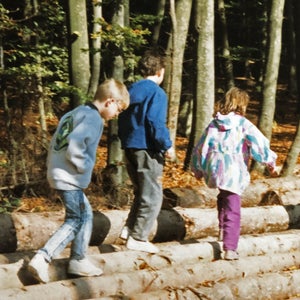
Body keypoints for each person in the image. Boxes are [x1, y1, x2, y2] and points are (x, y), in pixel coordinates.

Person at [28, 78, 129, 283]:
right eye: (118, 110)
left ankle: (78, 260)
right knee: (75, 220)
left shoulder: (75, 112)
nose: (116, 115)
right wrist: (85, 168)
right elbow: (75, 147)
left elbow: (57, 141)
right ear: (110, 101)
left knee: (86, 214)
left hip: (59, 172)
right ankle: (43, 257)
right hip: (69, 176)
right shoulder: (93, 118)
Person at [191, 87, 277, 260]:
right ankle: (230, 248)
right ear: (242, 105)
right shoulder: (243, 124)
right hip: (233, 171)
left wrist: (198, 168)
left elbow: (201, 146)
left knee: (223, 196)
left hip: (215, 169)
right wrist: (270, 161)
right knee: (233, 207)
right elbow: (259, 143)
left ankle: (223, 230)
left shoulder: (214, 124)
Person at [118, 49, 175, 254]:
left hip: (130, 146)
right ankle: (138, 237)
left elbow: (122, 117)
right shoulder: (156, 93)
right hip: (148, 148)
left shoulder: (131, 90)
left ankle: (128, 229)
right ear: (160, 71)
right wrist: (166, 145)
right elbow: (155, 121)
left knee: (141, 191)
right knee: (153, 194)